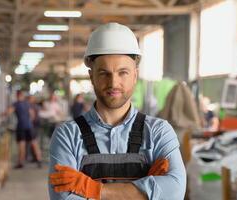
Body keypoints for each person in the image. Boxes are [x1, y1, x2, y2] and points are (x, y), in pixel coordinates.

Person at [48, 23, 186, 200]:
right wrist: (147, 191)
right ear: (92, 77)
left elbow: (174, 193)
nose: (114, 83)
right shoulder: (67, 136)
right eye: (104, 73)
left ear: (135, 76)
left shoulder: (159, 132)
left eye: (123, 72)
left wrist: (93, 190)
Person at [5, 90, 41, 169]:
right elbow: (32, 114)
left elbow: (8, 112)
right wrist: (29, 122)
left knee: (22, 145)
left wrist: (2, 114)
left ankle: (21, 162)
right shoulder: (27, 104)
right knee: (34, 143)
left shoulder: (16, 104)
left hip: (21, 126)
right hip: (30, 126)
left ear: (17, 95)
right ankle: (39, 160)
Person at [27, 95, 43, 167]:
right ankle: (35, 158)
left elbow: (32, 117)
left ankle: (39, 159)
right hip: (36, 126)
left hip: (33, 126)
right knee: (33, 142)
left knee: (34, 143)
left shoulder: (31, 106)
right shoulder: (37, 106)